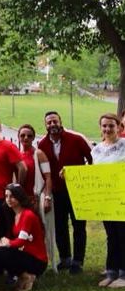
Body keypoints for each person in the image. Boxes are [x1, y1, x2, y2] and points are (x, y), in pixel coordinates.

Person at [37, 111, 93, 273]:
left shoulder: (76, 139)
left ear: (60, 122)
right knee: (60, 225)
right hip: (57, 191)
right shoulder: (42, 144)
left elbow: (92, 159)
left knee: (79, 226)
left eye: (55, 121)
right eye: (49, 123)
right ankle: (65, 258)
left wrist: (84, 175)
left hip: (77, 191)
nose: (52, 125)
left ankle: (78, 261)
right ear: (45, 125)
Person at [91, 113, 125, 288]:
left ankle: (124, 275)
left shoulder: (124, 146)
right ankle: (111, 271)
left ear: (119, 127)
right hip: (106, 201)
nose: (107, 129)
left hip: (122, 199)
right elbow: (92, 174)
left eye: (111, 125)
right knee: (111, 236)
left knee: (123, 235)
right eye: (104, 126)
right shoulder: (96, 150)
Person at [0, 184, 48, 291]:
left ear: (19, 197)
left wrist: (7, 243)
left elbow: (21, 241)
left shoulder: (27, 215)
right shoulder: (14, 214)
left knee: (1, 252)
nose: (8, 199)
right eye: (6, 196)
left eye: (12, 196)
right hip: (26, 254)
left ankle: (27, 276)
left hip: (37, 260)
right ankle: (23, 276)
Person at [17, 124, 53, 212]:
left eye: (29, 136)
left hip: (35, 199)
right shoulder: (17, 155)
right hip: (20, 199)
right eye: (22, 135)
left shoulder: (39, 154)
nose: (26, 138)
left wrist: (47, 198)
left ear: (33, 138)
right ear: (18, 137)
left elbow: (48, 177)